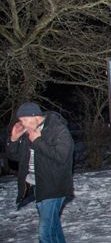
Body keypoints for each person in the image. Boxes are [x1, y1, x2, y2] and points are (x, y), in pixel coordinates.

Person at [6, 102, 74, 243]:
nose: (23, 124)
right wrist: (13, 139)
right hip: (38, 184)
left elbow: (62, 156)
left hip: (54, 185)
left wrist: (37, 141)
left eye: (25, 120)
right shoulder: (28, 131)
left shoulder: (57, 129)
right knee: (53, 227)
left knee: (45, 232)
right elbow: (15, 157)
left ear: (35, 116)